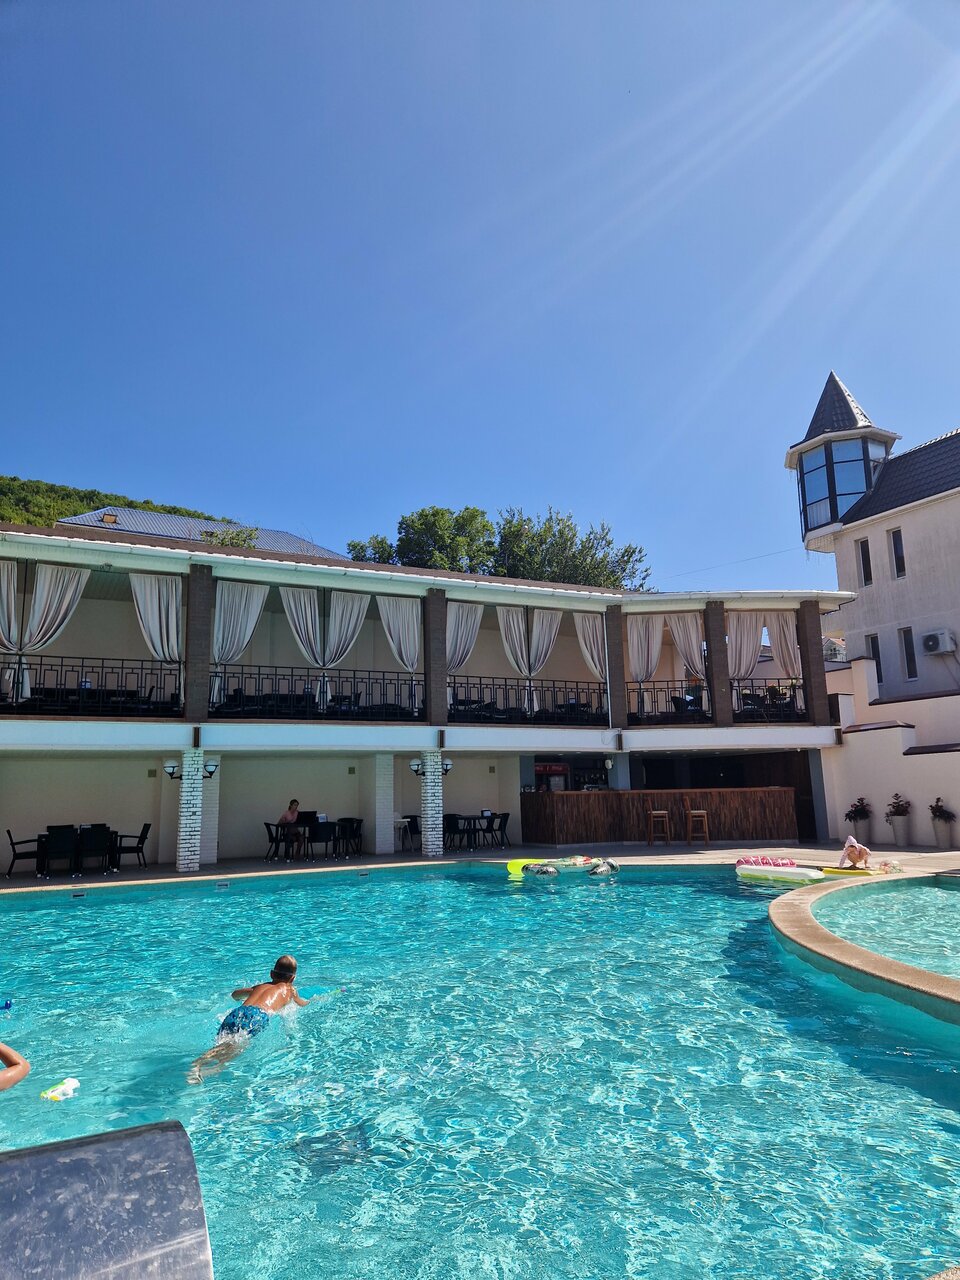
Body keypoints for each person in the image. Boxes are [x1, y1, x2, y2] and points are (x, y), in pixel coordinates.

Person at [187, 954, 310, 1084]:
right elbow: (301, 1003)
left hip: (237, 1012)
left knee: (227, 1044)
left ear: (271, 974)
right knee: (234, 1046)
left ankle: (209, 1069)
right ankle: (198, 1064)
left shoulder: (260, 987)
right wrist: (312, 1001)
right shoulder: (290, 989)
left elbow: (235, 995)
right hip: (257, 1016)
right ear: (293, 978)